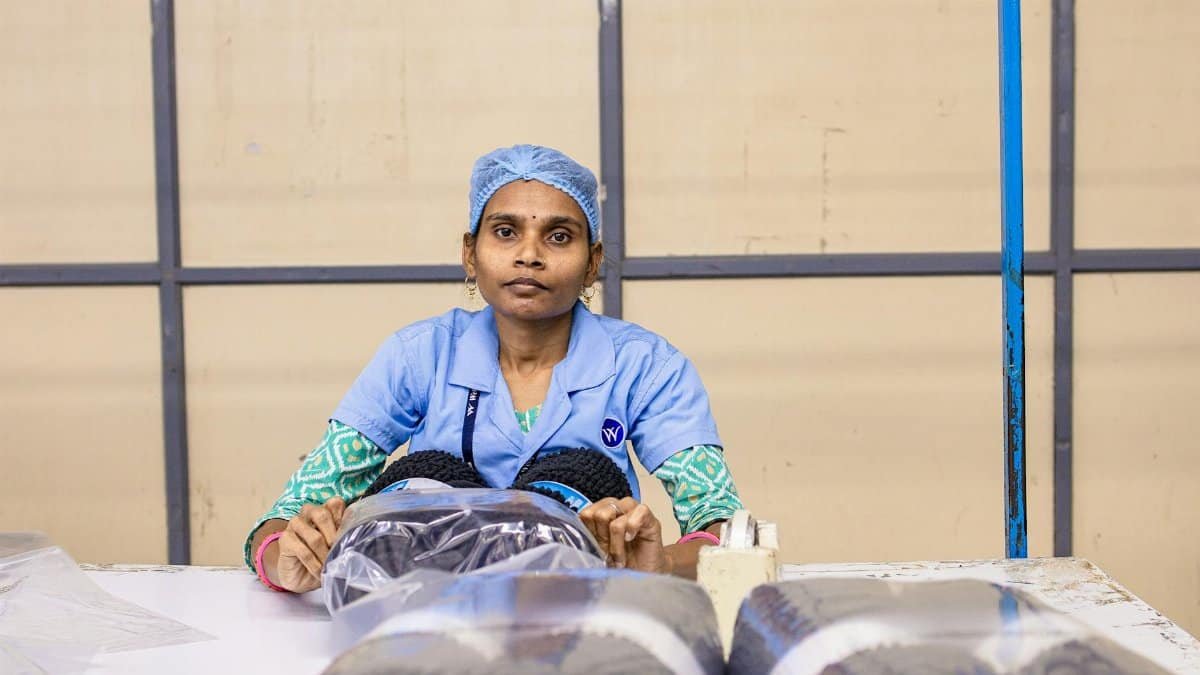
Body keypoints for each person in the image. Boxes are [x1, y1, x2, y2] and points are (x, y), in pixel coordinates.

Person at [246, 144, 743, 593]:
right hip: (427, 623)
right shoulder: (418, 355)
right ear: (470, 253)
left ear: (592, 264)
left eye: (559, 236)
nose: (529, 255)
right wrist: (285, 559)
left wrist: (661, 564)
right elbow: (280, 523)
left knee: (579, 482)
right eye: (506, 232)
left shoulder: (647, 367)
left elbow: (726, 532)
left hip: (583, 620)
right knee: (418, 482)